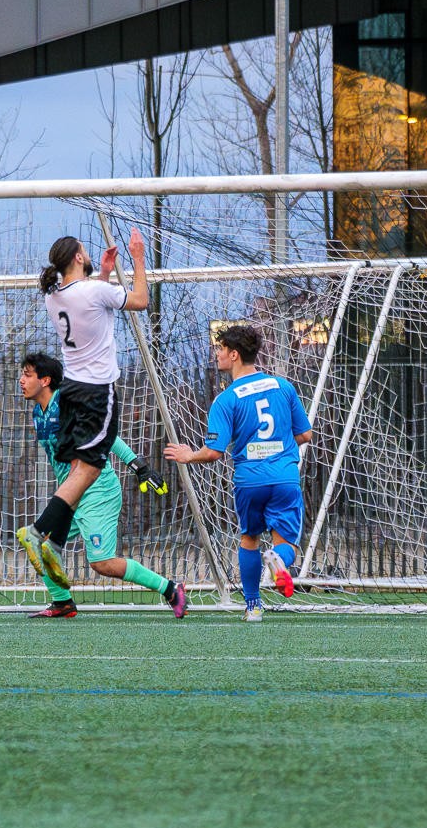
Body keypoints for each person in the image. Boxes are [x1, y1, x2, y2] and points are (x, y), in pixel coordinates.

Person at [16, 228, 150, 591]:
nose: (89, 254)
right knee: (89, 470)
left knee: (81, 469)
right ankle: (39, 533)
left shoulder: (54, 297)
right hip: (96, 392)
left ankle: (53, 542)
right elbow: (140, 300)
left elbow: (91, 308)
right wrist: (138, 256)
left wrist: (103, 272)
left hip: (73, 390)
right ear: (78, 257)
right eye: (86, 252)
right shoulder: (93, 291)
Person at [18, 352, 184, 618]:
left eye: (27, 375)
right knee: (40, 544)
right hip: (70, 494)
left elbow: (104, 434)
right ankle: (62, 603)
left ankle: (171, 589)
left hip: (97, 490)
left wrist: (138, 466)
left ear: (45, 380)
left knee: (102, 563)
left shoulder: (65, 403)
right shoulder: (39, 412)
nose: (21, 380)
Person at [165, 325, 311, 622]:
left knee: (249, 538)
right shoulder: (283, 387)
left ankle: (253, 607)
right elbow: (305, 434)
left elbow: (213, 452)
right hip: (284, 477)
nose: (216, 354)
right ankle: (279, 561)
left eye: (220, 349)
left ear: (234, 355)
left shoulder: (226, 399)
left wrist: (188, 455)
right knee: (286, 544)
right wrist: (279, 445)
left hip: (249, 480)